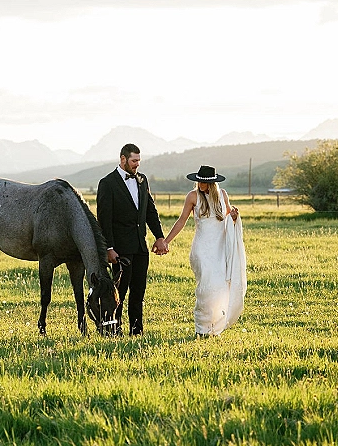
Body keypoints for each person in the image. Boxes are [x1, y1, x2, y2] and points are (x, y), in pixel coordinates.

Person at [164, 165, 247, 338]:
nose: (201, 184)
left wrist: (234, 217)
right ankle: (201, 327)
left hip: (220, 247)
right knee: (206, 288)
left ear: (212, 183)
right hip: (202, 249)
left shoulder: (222, 195)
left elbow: (228, 216)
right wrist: (166, 241)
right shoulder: (192, 196)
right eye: (199, 180)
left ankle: (215, 326)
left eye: (205, 182)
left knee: (220, 286)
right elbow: (181, 221)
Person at [97, 143, 168, 335]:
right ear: (123, 159)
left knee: (139, 291)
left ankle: (137, 330)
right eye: (134, 161)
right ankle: (113, 328)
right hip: (120, 249)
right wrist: (109, 248)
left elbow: (150, 212)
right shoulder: (107, 183)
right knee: (119, 292)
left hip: (140, 247)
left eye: (139, 161)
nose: (137, 165)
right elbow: (104, 219)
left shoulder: (142, 180)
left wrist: (159, 236)